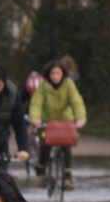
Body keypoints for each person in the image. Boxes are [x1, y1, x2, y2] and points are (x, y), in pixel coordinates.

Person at [28, 58, 87, 191]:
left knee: (66, 147)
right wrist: (35, 118)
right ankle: (41, 174)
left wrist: (80, 118)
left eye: (58, 73)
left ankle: (67, 177)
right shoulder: (43, 85)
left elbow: (76, 101)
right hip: (47, 121)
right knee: (45, 145)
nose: (55, 77)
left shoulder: (69, 84)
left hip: (65, 121)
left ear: (63, 74)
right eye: (52, 74)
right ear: (48, 75)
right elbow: (36, 102)